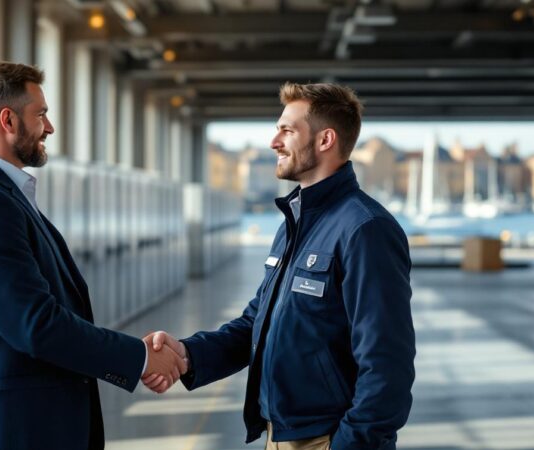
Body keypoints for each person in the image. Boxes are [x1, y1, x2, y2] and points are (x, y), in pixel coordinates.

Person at [143, 82, 415, 450]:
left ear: (325, 140)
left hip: (328, 439)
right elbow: (256, 323)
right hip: (281, 435)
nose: (274, 142)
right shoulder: (295, 221)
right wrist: (187, 355)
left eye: (287, 130)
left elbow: (387, 364)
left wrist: (351, 444)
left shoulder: (365, 229)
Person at [0, 62, 186, 450]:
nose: (49, 128)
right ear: (8, 121)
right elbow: (36, 325)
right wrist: (140, 359)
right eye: (41, 115)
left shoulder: (0, 195)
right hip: (8, 432)